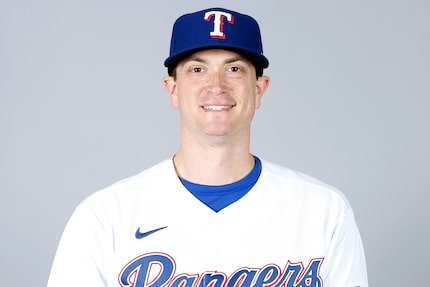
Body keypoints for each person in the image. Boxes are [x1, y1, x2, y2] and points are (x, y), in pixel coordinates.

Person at [47, 7, 368, 287]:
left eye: (234, 68)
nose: (217, 86)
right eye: (197, 70)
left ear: (259, 89)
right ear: (172, 89)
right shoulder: (105, 217)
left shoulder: (324, 211)